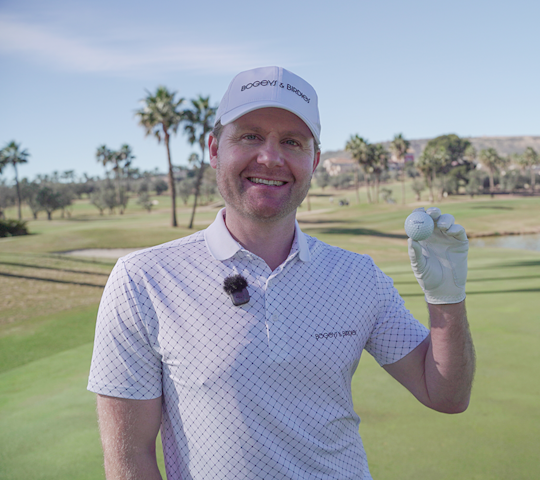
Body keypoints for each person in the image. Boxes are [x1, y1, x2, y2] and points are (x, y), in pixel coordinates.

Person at [88, 66, 475, 480]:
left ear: (314, 161)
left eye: (292, 142)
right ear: (215, 149)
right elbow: (130, 458)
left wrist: (446, 300)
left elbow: (446, 395)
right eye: (250, 136)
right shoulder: (143, 280)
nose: (271, 158)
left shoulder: (358, 276)